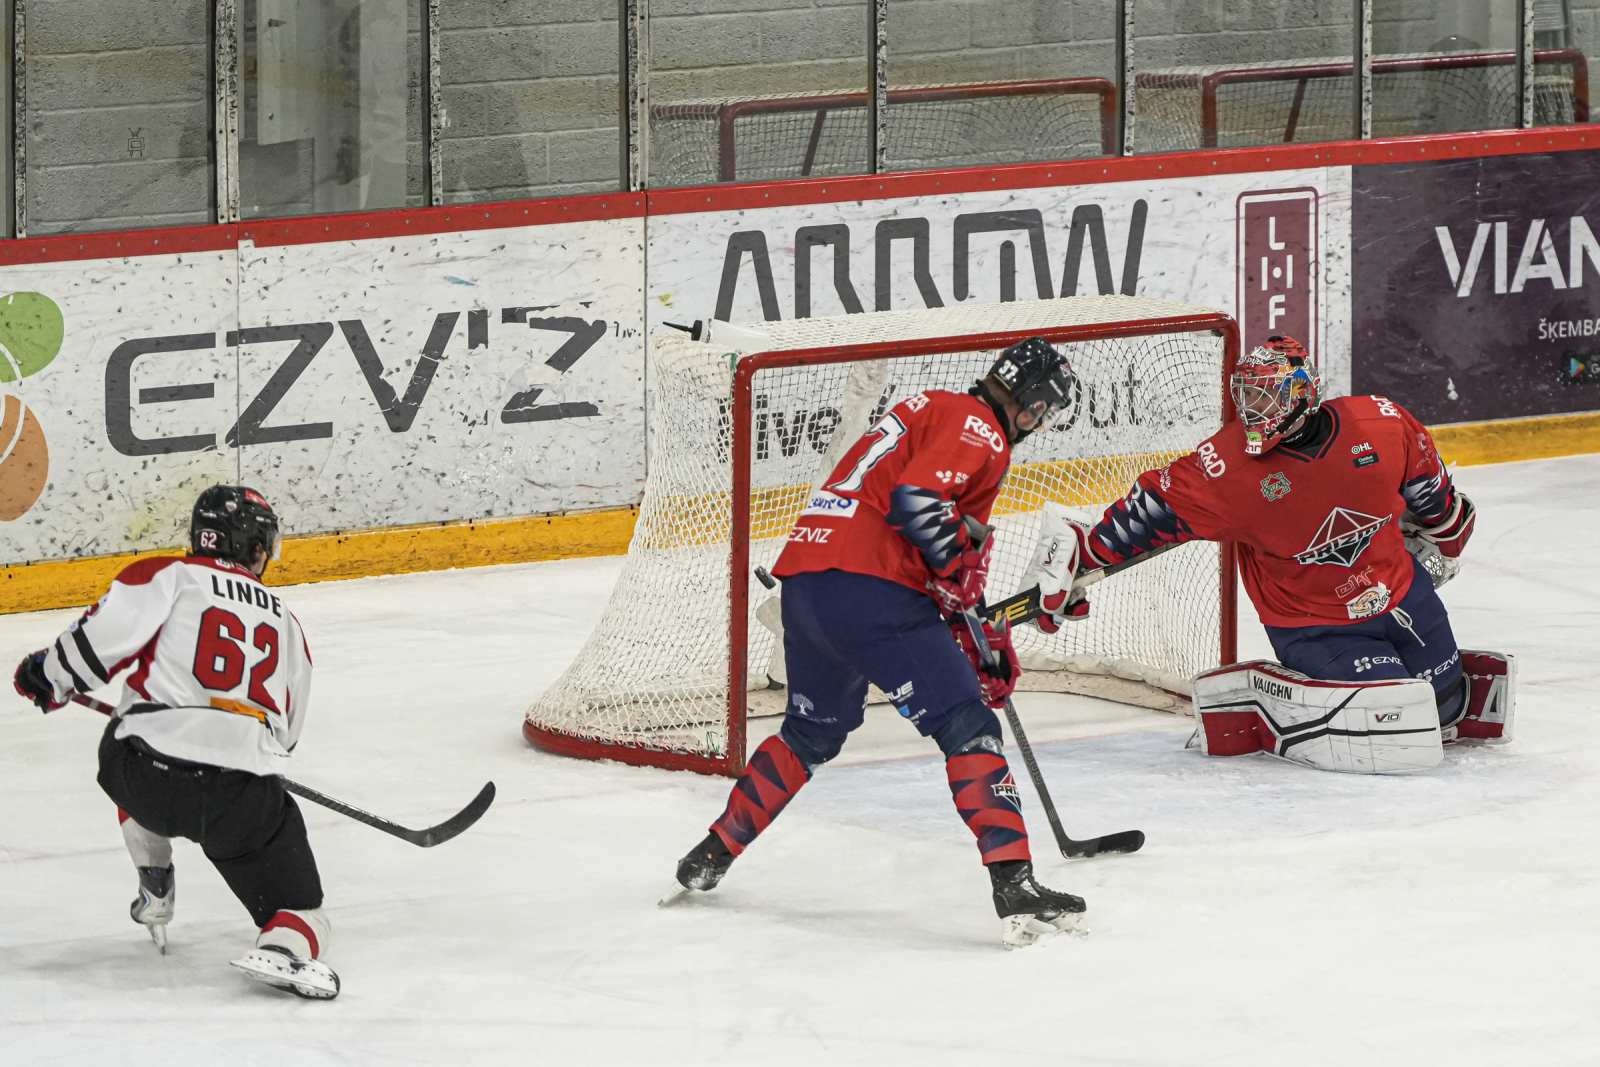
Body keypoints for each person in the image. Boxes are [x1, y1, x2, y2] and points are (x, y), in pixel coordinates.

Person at [668, 337, 1088, 948]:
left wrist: (972, 633)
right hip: (869, 591)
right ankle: (1014, 884)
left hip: (807, 588)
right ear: (1032, 404)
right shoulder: (979, 428)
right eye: (1044, 412)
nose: (1040, 424)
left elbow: (932, 546)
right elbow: (917, 506)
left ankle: (711, 853)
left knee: (811, 733)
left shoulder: (931, 407)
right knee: (968, 724)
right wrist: (964, 606)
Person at [1041, 336, 1475, 740]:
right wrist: (1084, 559)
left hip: (1403, 591)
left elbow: (1430, 487)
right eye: (1246, 395)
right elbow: (1153, 508)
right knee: (1395, 718)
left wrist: (1446, 532)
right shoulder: (1227, 469)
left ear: (1301, 393)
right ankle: (1274, 699)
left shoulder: (1378, 423)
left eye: (1264, 396)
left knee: (1447, 705)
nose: (1251, 410)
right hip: (1315, 625)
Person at [12, 486, 337, 998]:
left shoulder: (167, 575)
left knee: (127, 730)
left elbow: (93, 648)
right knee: (303, 911)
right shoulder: (285, 619)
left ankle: (154, 881)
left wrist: (47, 678)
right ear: (253, 546)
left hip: (144, 777)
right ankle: (282, 949)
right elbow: (286, 735)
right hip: (238, 796)